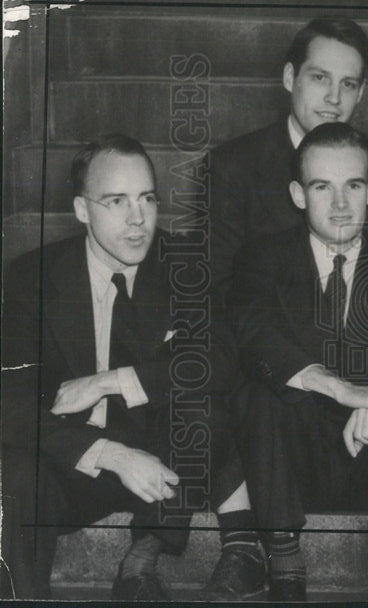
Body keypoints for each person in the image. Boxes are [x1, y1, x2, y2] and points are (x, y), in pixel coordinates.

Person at [1, 135, 247, 600]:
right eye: (116, 201)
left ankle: (144, 554)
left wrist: (110, 381)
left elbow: (222, 361)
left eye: (147, 199)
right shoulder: (31, 275)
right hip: (74, 461)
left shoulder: (184, 265)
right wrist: (110, 454)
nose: (137, 220)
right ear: (81, 210)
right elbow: (9, 404)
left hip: (160, 462)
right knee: (11, 473)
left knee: (205, 418)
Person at [226, 122, 368, 601]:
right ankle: (284, 559)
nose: (340, 204)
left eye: (352, 185)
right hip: (294, 463)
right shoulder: (262, 257)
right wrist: (346, 390)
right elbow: (255, 336)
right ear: (296, 193)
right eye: (321, 187)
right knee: (256, 387)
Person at [206, 16, 368, 299]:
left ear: (361, 92)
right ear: (290, 77)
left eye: (348, 84)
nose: (334, 98)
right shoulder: (234, 166)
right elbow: (219, 291)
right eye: (320, 78)